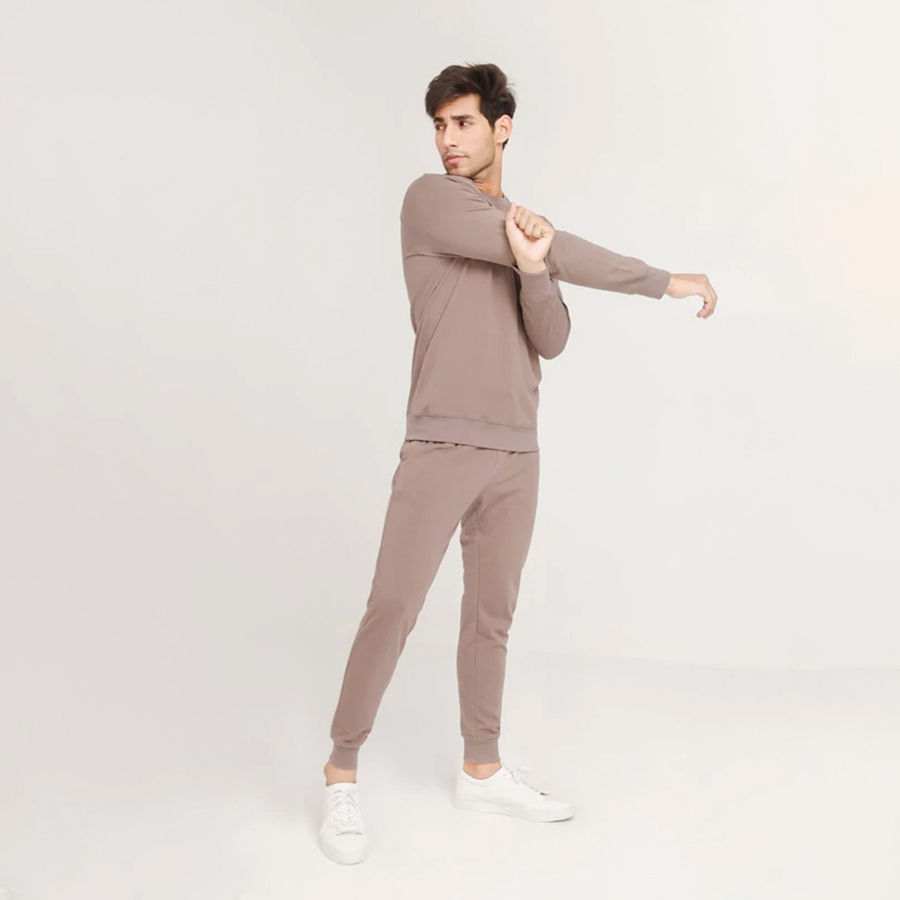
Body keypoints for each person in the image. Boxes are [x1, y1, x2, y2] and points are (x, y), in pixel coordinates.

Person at [318, 62, 718, 865]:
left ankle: (483, 767)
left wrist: (536, 271)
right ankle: (341, 772)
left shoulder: (523, 233)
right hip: (441, 444)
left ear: (502, 128)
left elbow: (552, 339)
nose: (447, 139)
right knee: (393, 607)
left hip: (515, 451)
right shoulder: (431, 202)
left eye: (463, 122)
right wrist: (664, 281)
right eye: (439, 125)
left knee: (490, 618)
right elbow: (553, 246)